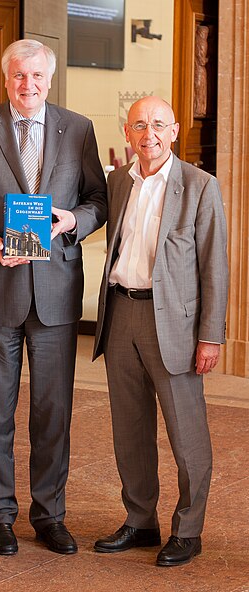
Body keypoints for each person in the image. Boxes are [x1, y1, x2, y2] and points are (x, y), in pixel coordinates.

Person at [0, 39, 107, 556]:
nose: (28, 86)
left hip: (56, 293)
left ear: (49, 79)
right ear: (6, 79)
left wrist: (72, 222)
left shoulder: (78, 128)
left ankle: (49, 514)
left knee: (52, 412)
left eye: (37, 76)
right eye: (19, 77)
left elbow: (98, 200)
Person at [93, 96, 228, 567]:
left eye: (157, 125)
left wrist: (211, 336)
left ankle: (188, 529)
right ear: (127, 135)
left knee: (187, 435)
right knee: (129, 431)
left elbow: (215, 266)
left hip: (175, 324)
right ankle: (140, 520)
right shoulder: (117, 182)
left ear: (173, 131)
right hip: (120, 315)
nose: (147, 134)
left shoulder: (199, 186)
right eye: (138, 126)